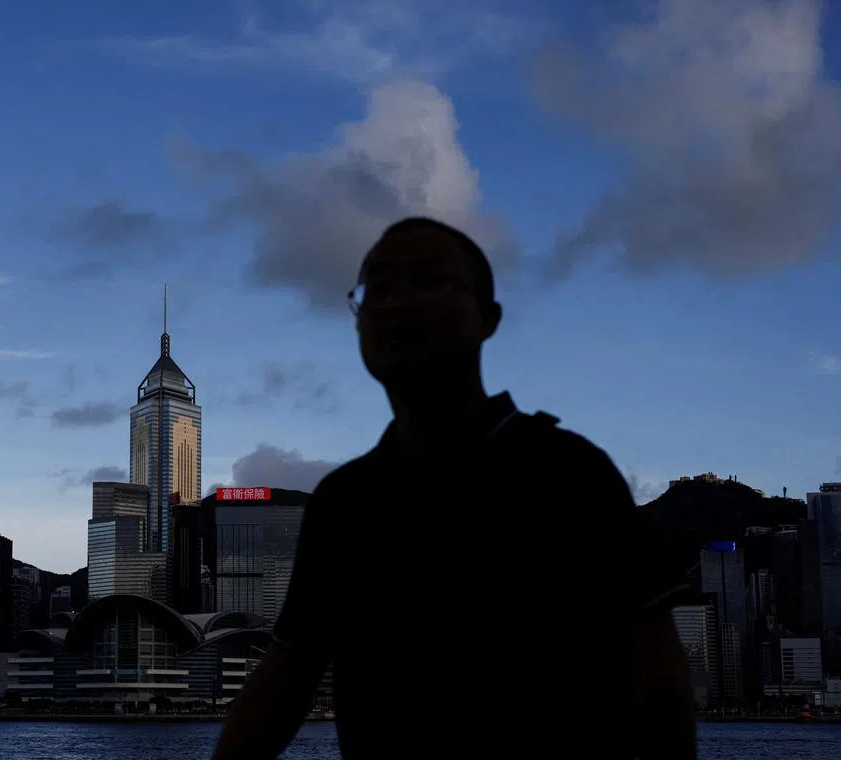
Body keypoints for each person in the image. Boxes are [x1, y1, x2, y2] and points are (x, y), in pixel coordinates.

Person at [211, 217, 697, 760]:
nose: (400, 302)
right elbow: (283, 681)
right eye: (382, 288)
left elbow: (658, 679)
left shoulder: (567, 471)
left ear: (488, 318)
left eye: (431, 280)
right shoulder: (344, 500)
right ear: (358, 321)